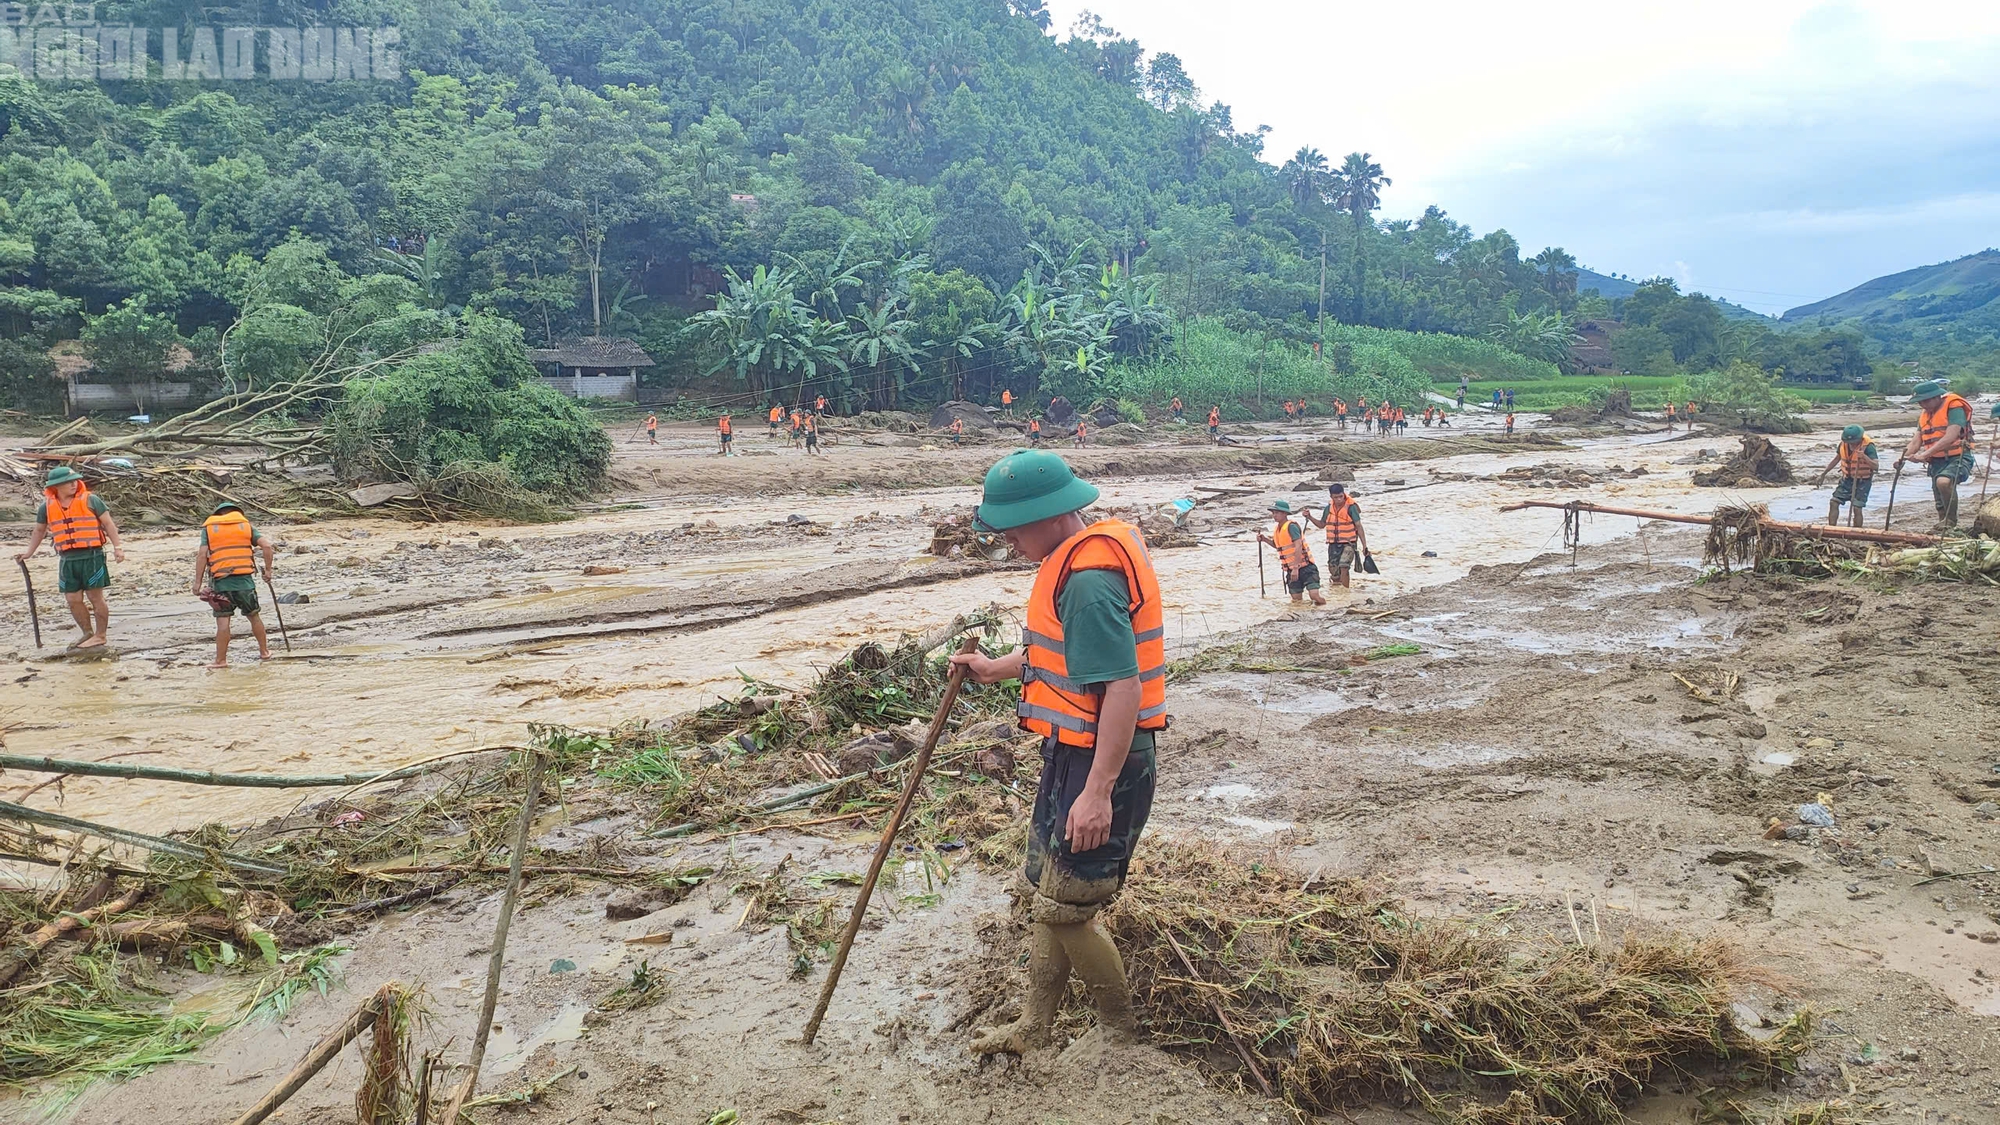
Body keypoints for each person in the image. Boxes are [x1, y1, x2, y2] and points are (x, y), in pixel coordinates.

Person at [952, 451, 1163, 1055]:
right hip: (1072, 752)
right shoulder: (1070, 560)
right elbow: (1066, 660)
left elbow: (1122, 687)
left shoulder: (1089, 583)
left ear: (1051, 515)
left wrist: (1097, 792)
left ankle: (1119, 1035)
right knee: (1052, 894)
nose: (1009, 540)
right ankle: (1035, 1026)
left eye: (1014, 528)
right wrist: (995, 669)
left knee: (1070, 907)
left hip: (1105, 763)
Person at [17, 466, 126, 650]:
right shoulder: (47, 506)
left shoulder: (91, 500)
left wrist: (118, 548)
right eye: (69, 482)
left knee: (95, 596)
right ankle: (87, 633)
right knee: (72, 599)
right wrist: (28, 553)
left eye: (75, 480)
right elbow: (39, 530)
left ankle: (100, 636)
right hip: (67, 558)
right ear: (56, 486)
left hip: (92, 555)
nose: (74, 484)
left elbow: (108, 523)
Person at [193, 500, 277, 667]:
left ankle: (221, 661)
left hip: (221, 584)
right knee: (254, 616)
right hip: (245, 582)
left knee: (223, 621)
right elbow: (267, 546)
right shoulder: (245, 527)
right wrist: (268, 571)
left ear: (217, 515)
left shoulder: (209, 529)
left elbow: (202, 556)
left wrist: (197, 583)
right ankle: (264, 652)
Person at [1896, 380, 1977, 529]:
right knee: (1939, 497)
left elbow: (1951, 436)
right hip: (1936, 461)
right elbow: (1916, 442)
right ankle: (1944, 526)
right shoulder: (1925, 415)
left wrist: (1924, 454)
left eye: (1925, 401)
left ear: (1936, 397)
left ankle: (1951, 521)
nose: (1923, 405)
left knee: (1944, 482)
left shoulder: (1954, 407)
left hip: (1958, 457)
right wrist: (1902, 458)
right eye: (1920, 402)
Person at [1257, 499, 1325, 607]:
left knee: (1314, 595)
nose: (1274, 515)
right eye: (1273, 513)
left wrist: (1295, 568)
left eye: (1277, 513)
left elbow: (1298, 546)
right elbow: (1277, 545)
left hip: (1306, 568)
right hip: (1290, 569)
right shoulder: (1277, 529)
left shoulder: (1291, 526)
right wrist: (1264, 539)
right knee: (1296, 601)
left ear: (1285, 514)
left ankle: (1326, 609)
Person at [1304, 482, 1369, 589]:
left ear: (1344, 494)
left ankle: (1345, 592)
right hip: (1333, 544)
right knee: (1334, 571)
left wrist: (1364, 546)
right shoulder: (1328, 509)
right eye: (1336, 497)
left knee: (1344, 566)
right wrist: (1310, 517)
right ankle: (1337, 596)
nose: (1339, 499)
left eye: (1341, 496)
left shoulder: (1351, 507)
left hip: (1349, 543)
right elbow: (1321, 525)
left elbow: (1359, 526)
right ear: (1331, 497)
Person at [1813, 424, 1877, 528]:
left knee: (1857, 507)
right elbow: (1836, 459)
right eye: (1849, 443)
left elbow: (1876, 466)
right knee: (1834, 502)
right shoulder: (1843, 445)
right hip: (1847, 479)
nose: (1851, 445)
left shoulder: (1868, 447)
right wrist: (1823, 474)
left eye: (1853, 443)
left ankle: (1856, 533)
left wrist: (1864, 457)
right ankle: (1832, 530)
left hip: (1862, 481)